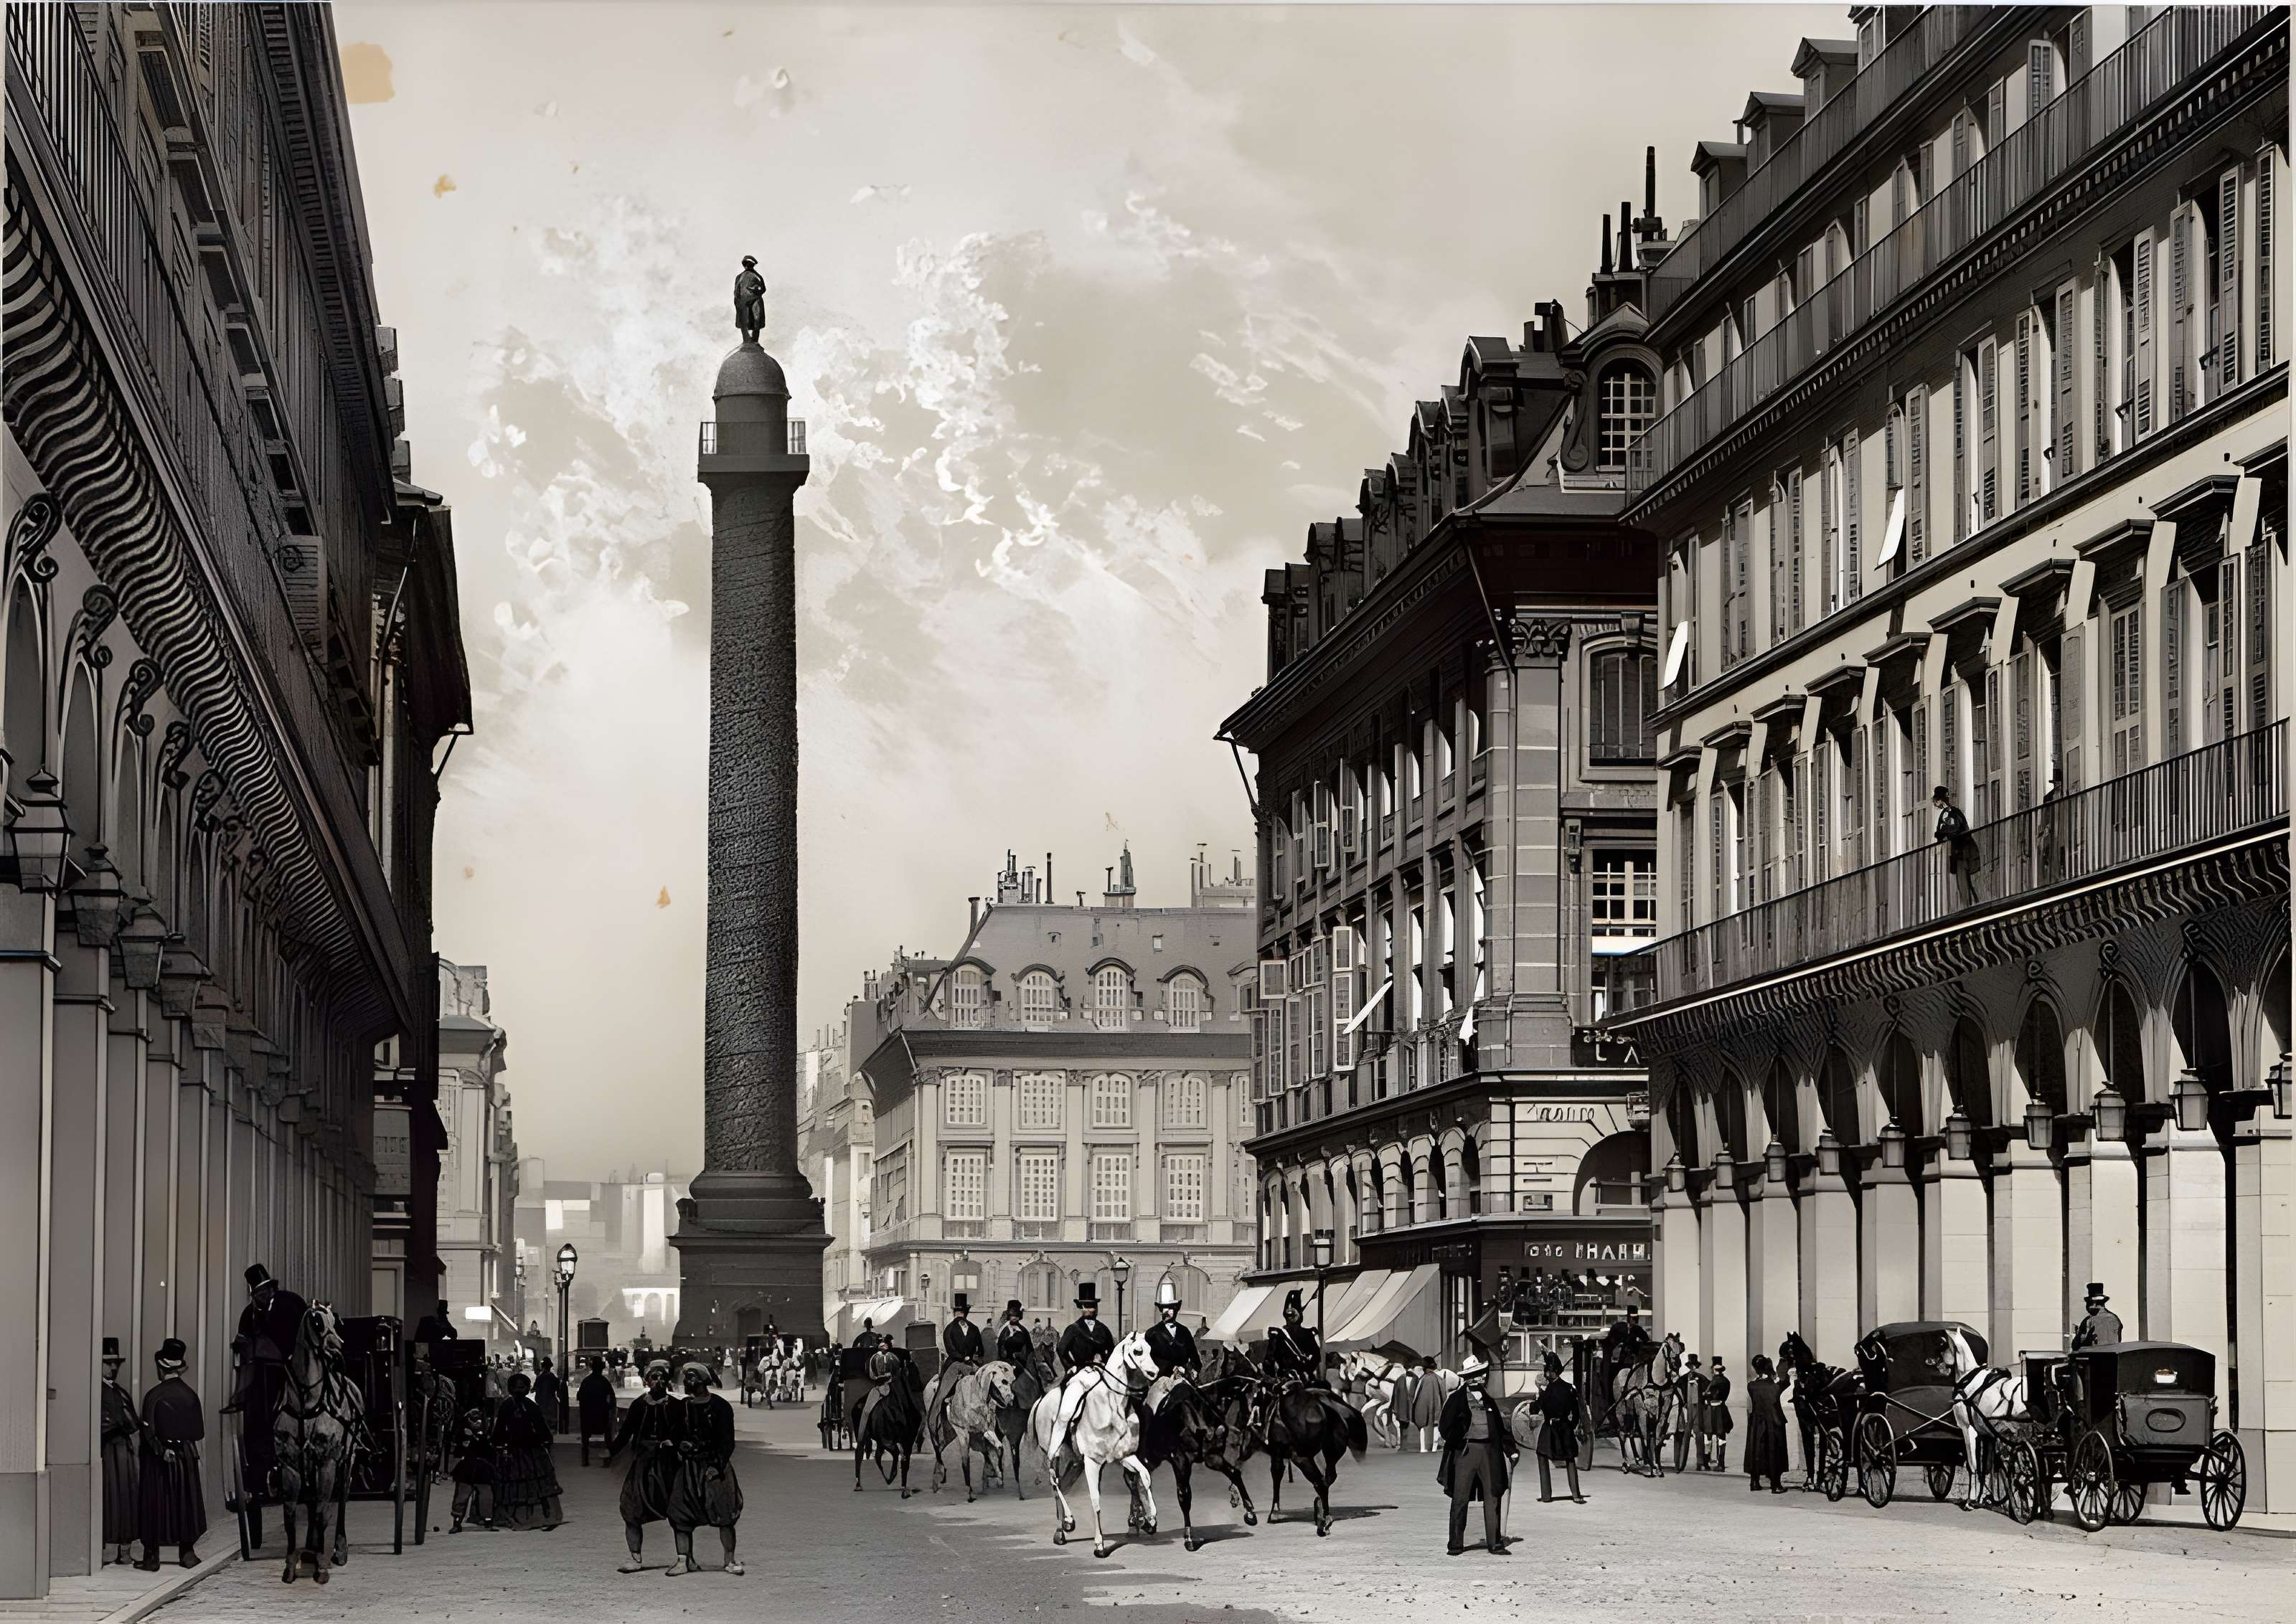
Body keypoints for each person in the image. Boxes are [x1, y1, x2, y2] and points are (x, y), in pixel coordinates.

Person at [223, 1262, 306, 1536]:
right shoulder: (249, 1315)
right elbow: (244, 1348)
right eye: (258, 1293)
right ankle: (260, 1469)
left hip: (296, 1368)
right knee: (257, 1414)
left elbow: (307, 1334)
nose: (263, 1296)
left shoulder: (292, 1303)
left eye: (266, 1290)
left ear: (272, 1288)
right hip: (266, 1376)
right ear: (253, 1294)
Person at [666, 1362, 743, 1577]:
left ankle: (730, 1560)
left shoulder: (720, 1406)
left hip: (714, 1467)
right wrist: (681, 1444)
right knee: (680, 1512)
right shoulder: (683, 1407)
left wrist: (716, 1466)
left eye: (691, 1377)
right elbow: (675, 1434)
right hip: (689, 1467)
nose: (687, 1382)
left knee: (724, 1513)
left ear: (702, 1381)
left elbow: (728, 1442)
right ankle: (684, 1560)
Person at [136, 1339, 207, 1571]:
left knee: (154, 1502)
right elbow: (199, 1431)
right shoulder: (191, 1395)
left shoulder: (153, 1395)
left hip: (160, 1456)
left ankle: (152, 1557)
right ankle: (187, 1552)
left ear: (160, 1366)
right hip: (186, 1454)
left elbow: (147, 1431)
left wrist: (160, 1449)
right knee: (186, 1501)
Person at [607, 1361, 682, 1572]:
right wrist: (611, 1451)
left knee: (677, 1511)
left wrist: (675, 1443)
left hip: (669, 1466)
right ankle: (635, 1558)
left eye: (661, 1378)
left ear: (667, 1381)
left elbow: (684, 1431)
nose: (658, 1382)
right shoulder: (639, 1405)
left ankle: (684, 1559)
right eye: (653, 1378)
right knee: (631, 1508)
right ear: (647, 1381)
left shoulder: (677, 1406)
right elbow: (626, 1432)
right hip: (642, 1465)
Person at [1437, 1353, 1515, 1555]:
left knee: (1493, 1497)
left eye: (1482, 1374)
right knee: (1460, 1498)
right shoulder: (1456, 1399)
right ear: (1469, 1378)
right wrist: (1460, 1438)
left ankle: (1495, 1543)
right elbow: (1445, 1427)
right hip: (1466, 1452)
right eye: (1478, 1374)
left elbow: (1500, 1428)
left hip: (1489, 1453)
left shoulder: (1488, 1399)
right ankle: (1455, 1544)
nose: (1482, 1378)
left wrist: (1511, 1450)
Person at [1051, 1283, 1117, 1458]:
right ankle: (1061, 1440)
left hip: (1101, 1371)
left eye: (1093, 1306)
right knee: (1068, 1407)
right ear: (1081, 1308)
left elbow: (1111, 1350)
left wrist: (1104, 1360)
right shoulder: (1073, 1329)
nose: (1090, 1310)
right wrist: (1071, 1366)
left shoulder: (1103, 1329)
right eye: (1087, 1306)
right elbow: (1061, 1350)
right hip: (1080, 1370)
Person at [491, 1371, 563, 1530]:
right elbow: (500, 1428)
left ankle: (539, 1515)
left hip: (529, 1449)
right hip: (517, 1450)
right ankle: (527, 1515)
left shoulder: (526, 1406)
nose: (518, 1391)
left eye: (521, 1387)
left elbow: (540, 1426)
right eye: (516, 1387)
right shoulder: (510, 1406)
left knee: (531, 1483)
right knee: (521, 1483)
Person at [100, 1337, 138, 1566]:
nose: (114, 1368)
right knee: (109, 1498)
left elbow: (131, 1421)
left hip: (122, 1452)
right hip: (106, 1452)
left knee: (125, 1499)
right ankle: (104, 1551)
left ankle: (124, 1551)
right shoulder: (96, 1392)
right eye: (109, 1362)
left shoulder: (121, 1392)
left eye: (116, 1363)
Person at [1530, 1350, 1586, 1503]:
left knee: (1561, 1458)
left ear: (1554, 1372)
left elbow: (1576, 1413)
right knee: (1555, 1457)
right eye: (1548, 1371)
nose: (1548, 1374)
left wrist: (1537, 1399)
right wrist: (1572, 1426)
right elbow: (1576, 1413)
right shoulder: (1561, 1389)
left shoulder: (1558, 1390)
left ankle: (1561, 1495)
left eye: (1550, 1371)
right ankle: (1563, 1495)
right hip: (1557, 1427)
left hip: (1557, 1428)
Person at [1141, 1279, 1200, 1415]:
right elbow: (1147, 1360)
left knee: (1197, 1404)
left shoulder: (1184, 1332)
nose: (1166, 1312)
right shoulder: (1152, 1333)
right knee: (1153, 1410)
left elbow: (1195, 1357)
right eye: (1163, 1308)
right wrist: (1169, 1368)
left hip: (1183, 1378)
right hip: (1160, 1379)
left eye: (1170, 1308)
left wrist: (1194, 1370)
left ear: (1176, 1310)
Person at [931, 1293, 985, 1435]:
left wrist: (974, 1358)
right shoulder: (949, 1329)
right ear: (954, 1314)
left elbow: (981, 1348)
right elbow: (950, 1349)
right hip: (954, 1362)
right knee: (942, 1392)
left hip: (972, 1363)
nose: (960, 1316)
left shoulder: (974, 1329)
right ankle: (942, 1407)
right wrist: (965, 1358)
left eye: (962, 1313)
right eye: (957, 1313)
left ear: (965, 1314)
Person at [448, 1397, 497, 1532]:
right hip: (467, 1469)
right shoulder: (463, 1434)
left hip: (482, 1469)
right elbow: (459, 1450)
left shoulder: (485, 1434)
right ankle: (457, 1521)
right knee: (462, 1496)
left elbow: (488, 1450)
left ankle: (488, 1520)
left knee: (486, 1495)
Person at [1744, 1354, 1789, 1493]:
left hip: (1757, 1422)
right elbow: (1785, 1382)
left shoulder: (1751, 1386)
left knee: (1756, 1450)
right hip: (1773, 1421)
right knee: (1775, 1450)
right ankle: (1776, 1484)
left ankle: (1755, 1482)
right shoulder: (1775, 1386)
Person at [1934, 785, 1982, 905]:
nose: (1935, 803)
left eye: (1936, 800)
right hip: (1960, 851)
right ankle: (1972, 906)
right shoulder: (1951, 812)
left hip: (1961, 852)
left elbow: (1954, 829)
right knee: (1965, 883)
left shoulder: (1950, 813)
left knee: (1963, 883)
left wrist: (1940, 833)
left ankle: (1969, 909)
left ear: (1940, 800)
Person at [1264, 1289, 1322, 1386]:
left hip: (1286, 1381)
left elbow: (1269, 1361)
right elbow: (1317, 1358)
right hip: (1305, 1381)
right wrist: (1307, 1369)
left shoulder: (1277, 1335)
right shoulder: (1309, 1333)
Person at [578, 1356, 618, 1467]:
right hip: (602, 1415)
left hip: (588, 1415)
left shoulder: (586, 1382)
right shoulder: (604, 1382)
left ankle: (585, 1460)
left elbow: (580, 1398)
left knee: (585, 1439)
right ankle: (607, 1459)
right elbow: (612, 1398)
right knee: (608, 1437)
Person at [2071, 1283, 2125, 1351]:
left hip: (2094, 1358)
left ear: (2094, 1304)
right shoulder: (2115, 1319)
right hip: (2111, 1359)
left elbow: (2076, 1346)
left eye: (2088, 1303)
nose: (2087, 1307)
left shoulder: (2089, 1321)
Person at [1703, 1356, 1733, 1473]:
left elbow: (1709, 1395)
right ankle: (1721, 1463)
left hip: (1712, 1409)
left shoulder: (1714, 1381)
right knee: (1722, 1437)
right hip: (1722, 1409)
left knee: (1709, 1436)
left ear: (1714, 1369)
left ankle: (1708, 1462)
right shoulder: (1727, 1381)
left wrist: (1705, 1395)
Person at [995, 1299, 1036, 1372]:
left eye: (1016, 1316)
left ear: (1019, 1317)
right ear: (1009, 1316)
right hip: (1006, 1365)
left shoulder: (1024, 1331)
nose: (1014, 1318)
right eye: (1012, 1316)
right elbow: (1000, 1348)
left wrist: (1020, 1357)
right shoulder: (1004, 1331)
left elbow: (1030, 1349)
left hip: (1022, 1365)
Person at [533, 1355, 565, 1430]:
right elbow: (558, 1391)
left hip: (542, 1403)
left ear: (543, 1366)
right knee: (552, 1425)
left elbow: (535, 1389)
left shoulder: (540, 1378)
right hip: (551, 1403)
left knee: (543, 1424)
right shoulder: (554, 1378)